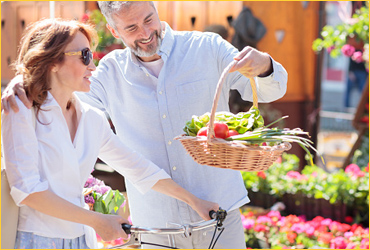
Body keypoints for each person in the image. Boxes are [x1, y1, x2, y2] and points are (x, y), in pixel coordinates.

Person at [2, 2, 288, 248]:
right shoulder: (108, 73)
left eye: (148, 19)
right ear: (114, 31)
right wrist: (24, 81)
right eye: (131, 28)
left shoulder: (207, 48)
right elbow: (62, 91)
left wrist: (264, 65)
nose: (145, 32)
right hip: (155, 224)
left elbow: (265, 91)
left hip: (219, 214)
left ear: (156, 9)